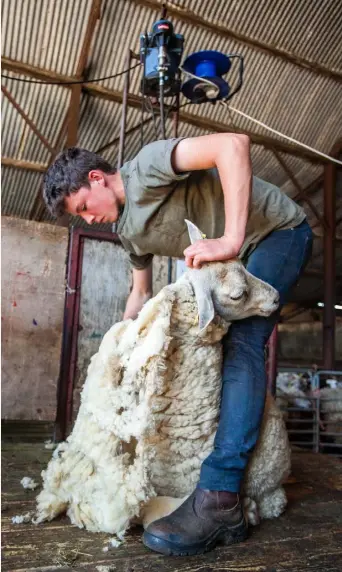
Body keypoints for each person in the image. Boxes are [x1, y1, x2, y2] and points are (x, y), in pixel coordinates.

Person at [43, 134, 313, 556]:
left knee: (241, 343)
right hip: (236, 262)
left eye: (82, 208)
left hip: (277, 233)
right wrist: (120, 349)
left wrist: (230, 240)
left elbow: (234, 146)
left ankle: (221, 497)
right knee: (214, 350)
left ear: (96, 179)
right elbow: (139, 294)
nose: (88, 220)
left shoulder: (147, 167)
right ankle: (207, 473)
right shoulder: (129, 234)